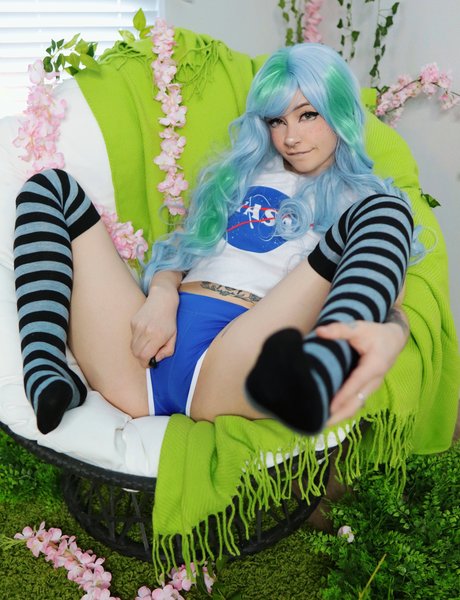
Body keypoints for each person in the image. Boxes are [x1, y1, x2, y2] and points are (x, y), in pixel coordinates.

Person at [13, 42, 414, 436]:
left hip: (238, 357)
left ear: (339, 110)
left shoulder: (363, 201)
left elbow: (389, 299)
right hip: (146, 356)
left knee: (385, 209)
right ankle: (46, 369)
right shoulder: (240, 175)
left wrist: (394, 331)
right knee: (49, 188)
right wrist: (162, 295)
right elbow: (182, 249)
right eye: (277, 121)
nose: (291, 137)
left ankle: (327, 362)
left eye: (307, 115)